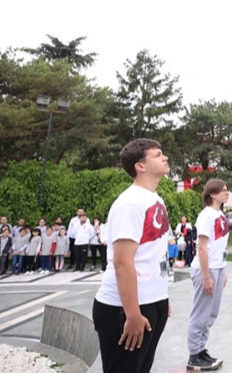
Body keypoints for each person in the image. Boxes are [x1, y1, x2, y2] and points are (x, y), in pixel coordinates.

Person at [92, 139, 172, 373]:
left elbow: (156, 252)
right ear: (141, 166)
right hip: (124, 308)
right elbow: (122, 262)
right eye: (158, 155)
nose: (165, 158)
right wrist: (133, 314)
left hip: (152, 300)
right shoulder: (130, 203)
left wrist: (161, 294)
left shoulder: (156, 199)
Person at [186, 179, 231, 371]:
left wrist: (223, 270)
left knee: (211, 313)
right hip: (206, 268)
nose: (227, 193)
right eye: (223, 190)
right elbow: (202, 247)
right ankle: (194, 353)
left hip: (218, 267)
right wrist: (206, 276)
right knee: (201, 313)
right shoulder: (206, 215)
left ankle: (201, 349)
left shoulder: (220, 214)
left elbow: (220, 246)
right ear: (212, 194)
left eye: (227, 190)